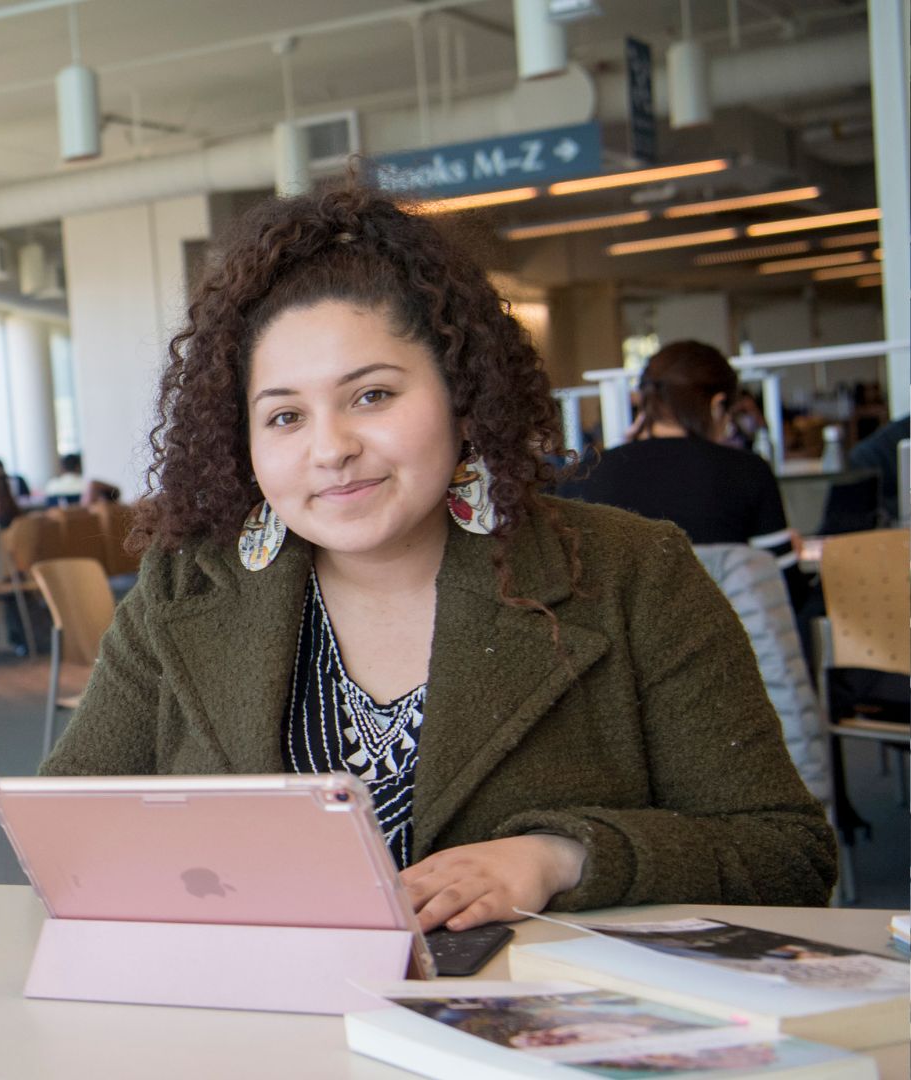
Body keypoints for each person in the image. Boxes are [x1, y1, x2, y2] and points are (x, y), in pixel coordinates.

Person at [40, 182, 835, 931]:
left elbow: (785, 853)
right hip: (264, 1027)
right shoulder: (187, 587)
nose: (331, 449)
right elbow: (66, 831)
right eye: (284, 417)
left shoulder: (631, 573)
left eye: (372, 396)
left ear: (462, 393)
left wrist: (561, 856)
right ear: (242, 442)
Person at [560, 341, 810, 611]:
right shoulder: (746, 470)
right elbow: (785, 590)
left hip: (620, 645)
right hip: (726, 641)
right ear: (718, 403)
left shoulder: (588, 471)